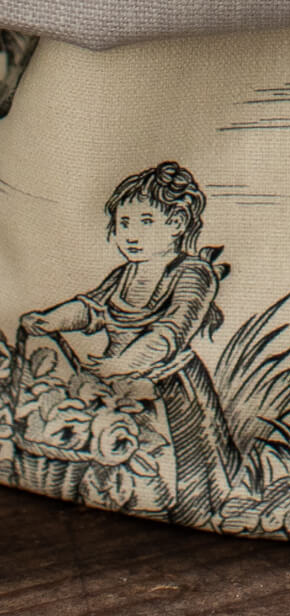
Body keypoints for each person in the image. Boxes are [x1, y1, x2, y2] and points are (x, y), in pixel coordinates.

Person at [19, 160, 238, 528]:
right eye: (123, 224)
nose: (130, 235)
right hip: (118, 380)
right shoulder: (126, 273)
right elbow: (90, 309)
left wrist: (122, 364)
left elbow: (170, 333)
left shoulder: (192, 274)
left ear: (178, 223)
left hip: (170, 390)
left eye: (145, 222)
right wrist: (51, 319)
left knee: (185, 476)